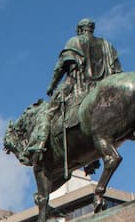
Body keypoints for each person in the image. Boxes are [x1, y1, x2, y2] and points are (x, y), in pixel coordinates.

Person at [29, 18, 122, 157]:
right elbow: (118, 71)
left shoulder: (75, 41)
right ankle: (92, 159)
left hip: (77, 86)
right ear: (91, 29)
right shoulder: (107, 45)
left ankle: (39, 144)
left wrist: (52, 85)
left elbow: (60, 67)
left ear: (80, 30)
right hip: (103, 89)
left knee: (47, 112)